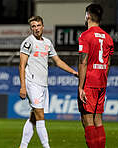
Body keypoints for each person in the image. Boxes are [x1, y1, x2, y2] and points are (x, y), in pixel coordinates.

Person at [19, 16, 78, 148]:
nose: (36, 29)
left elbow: (58, 61)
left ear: (43, 26)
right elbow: (21, 65)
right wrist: (23, 87)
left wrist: (73, 72)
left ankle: (22, 146)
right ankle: (47, 146)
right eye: (33, 26)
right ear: (31, 28)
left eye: (38, 25)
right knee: (40, 115)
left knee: (33, 117)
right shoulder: (28, 43)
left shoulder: (47, 43)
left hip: (43, 84)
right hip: (32, 83)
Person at [78, 4, 114, 148]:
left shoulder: (85, 36)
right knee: (98, 119)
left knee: (87, 120)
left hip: (89, 82)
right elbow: (108, 64)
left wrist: (81, 87)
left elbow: (83, 62)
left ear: (88, 16)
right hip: (101, 82)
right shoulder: (108, 38)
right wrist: (102, 80)